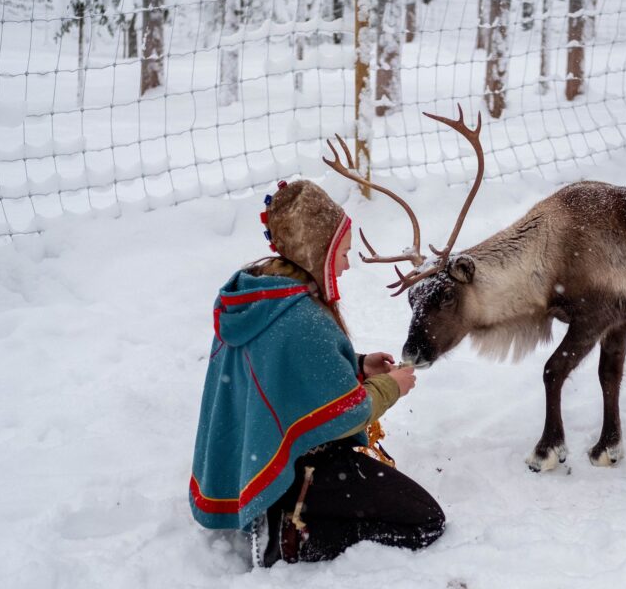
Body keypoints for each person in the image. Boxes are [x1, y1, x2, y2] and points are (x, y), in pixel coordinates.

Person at [188, 179, 445, 567]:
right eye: (341, 252)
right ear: (317, 250)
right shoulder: (302, 318)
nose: (345, 263)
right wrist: (391, 386)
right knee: (426, 521)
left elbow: (283, 369)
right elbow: (349, 413)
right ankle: (296, 536)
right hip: (303, 467)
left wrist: (356, 365)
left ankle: (284, 508)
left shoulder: (258, 295)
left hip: (258, 457)